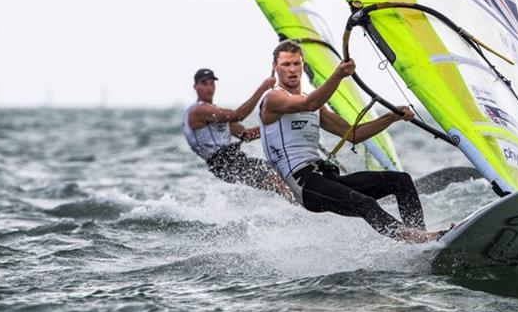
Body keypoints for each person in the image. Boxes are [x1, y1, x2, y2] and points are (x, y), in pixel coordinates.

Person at [258, 40, 442, 243]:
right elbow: (310, 103)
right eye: (286, 64)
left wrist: (391, 117)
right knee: (366, 204)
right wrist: (338, 75)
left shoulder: (316, 108)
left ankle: (421, 240)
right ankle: (418, 239)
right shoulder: (273, 99)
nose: (292, 70)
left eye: (296, 64)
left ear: (303, 65)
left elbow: (353, 134)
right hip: (306, 185)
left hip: (326, 178)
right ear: (275, 67)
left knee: (401, 181)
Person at [182, 68, 292, 199]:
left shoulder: (215, 113)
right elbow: (238, 115)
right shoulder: (198, 111)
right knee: (275, 179)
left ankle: (298, 204)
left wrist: (279, 123)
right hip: (222, 163)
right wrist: (263, 88)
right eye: (204, 83)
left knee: (280, 173)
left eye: (211, 83)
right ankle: (300, 209)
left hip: (235, 159)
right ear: (195, 87)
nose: (209, 87)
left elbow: (246, 135)